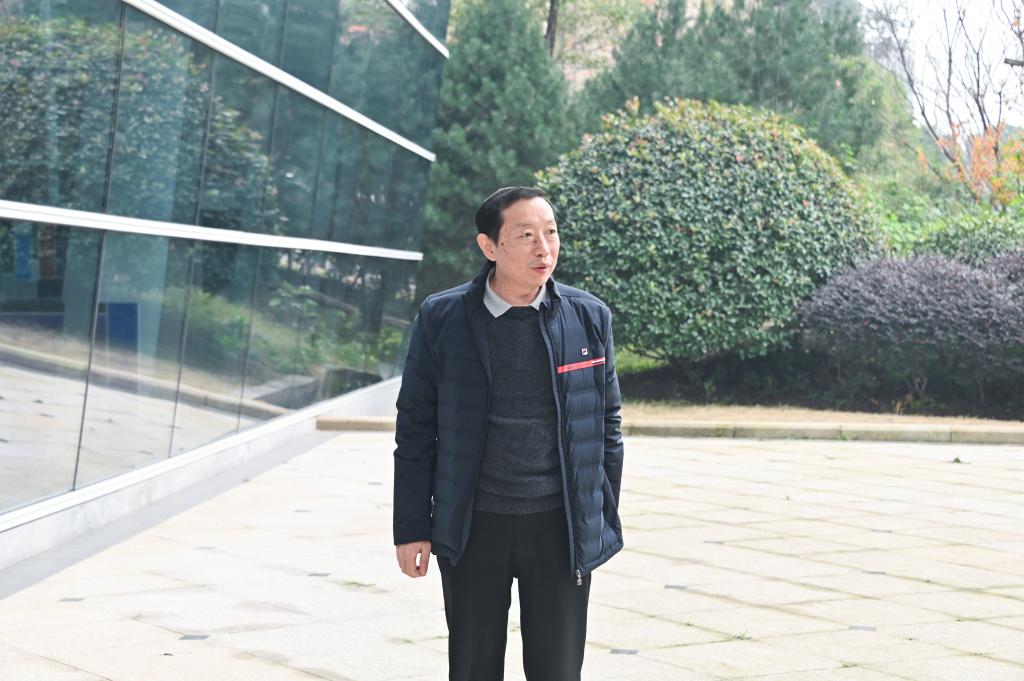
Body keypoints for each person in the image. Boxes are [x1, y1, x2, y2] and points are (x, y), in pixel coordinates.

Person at [392, 186, 624, 681]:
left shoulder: (588, 317)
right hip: (474, 526)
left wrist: (597, 513)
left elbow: (607, 425)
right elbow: (414, 428)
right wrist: (411, 527)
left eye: (551, 232)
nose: (544, 248)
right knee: (473, 668)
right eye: (526, 236)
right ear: (489, 246)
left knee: (558, 670)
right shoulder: (444, 317)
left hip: (559, 527)